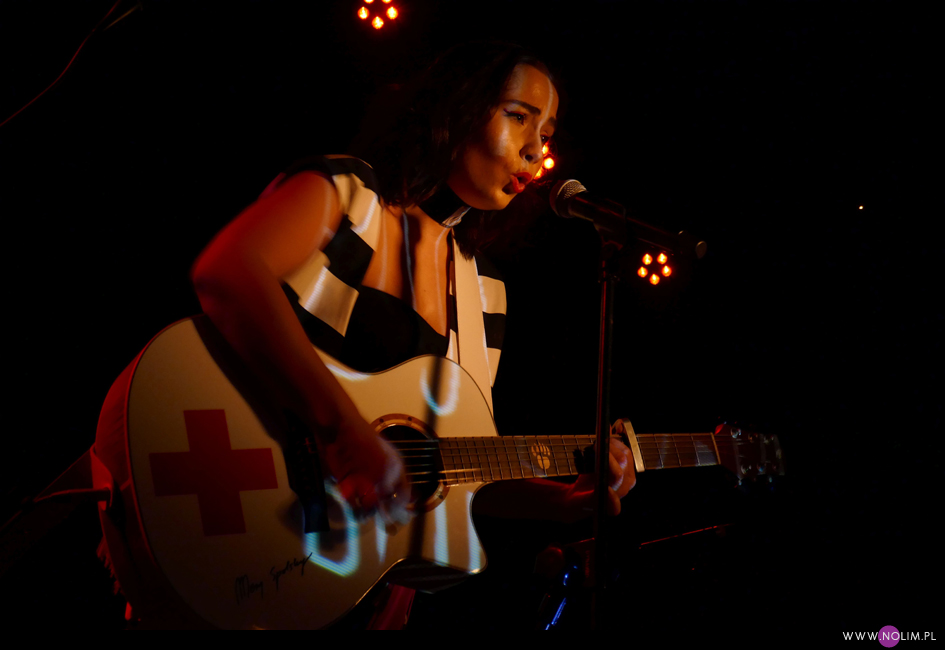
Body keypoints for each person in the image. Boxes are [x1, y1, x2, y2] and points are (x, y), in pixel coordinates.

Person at [190, 40, 635, 628]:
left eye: (546, 133)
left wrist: (563, 501)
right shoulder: (350, 195)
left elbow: (443, 464)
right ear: (456, 106)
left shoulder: (486, 293)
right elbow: (228, 272)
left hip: (366, 593)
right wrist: (343, 431)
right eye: (518, 116)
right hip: (241, 509)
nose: (536, 149)